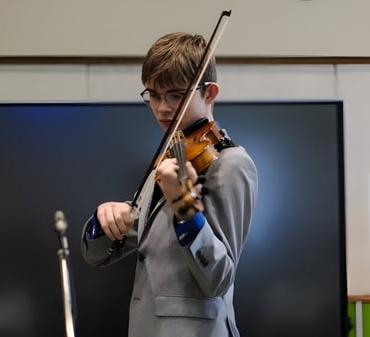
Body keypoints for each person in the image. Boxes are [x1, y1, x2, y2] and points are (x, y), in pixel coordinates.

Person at [80, 32, 258, 337]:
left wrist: (184, 208)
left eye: (176, 95)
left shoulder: (231, 164)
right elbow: (102, 253)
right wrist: (105, 219)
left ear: (210, 92)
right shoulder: (169, 158)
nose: (162, 107)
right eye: (154, 95)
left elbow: (219, 277)